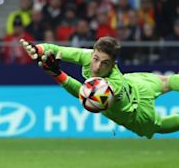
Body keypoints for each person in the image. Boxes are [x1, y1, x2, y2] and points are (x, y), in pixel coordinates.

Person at [20, 36, 179, 139]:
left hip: (137, 113)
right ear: (93, 53)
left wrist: (57, 74)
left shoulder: (112, 84)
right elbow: (58, 50)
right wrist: (37, 49)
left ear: (113, 65)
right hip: (135, 85)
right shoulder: (89, 57)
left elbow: (84, 94)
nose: (97, 66)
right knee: (166, 82)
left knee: (158, 124)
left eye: (105, 63)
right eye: (96, 58)